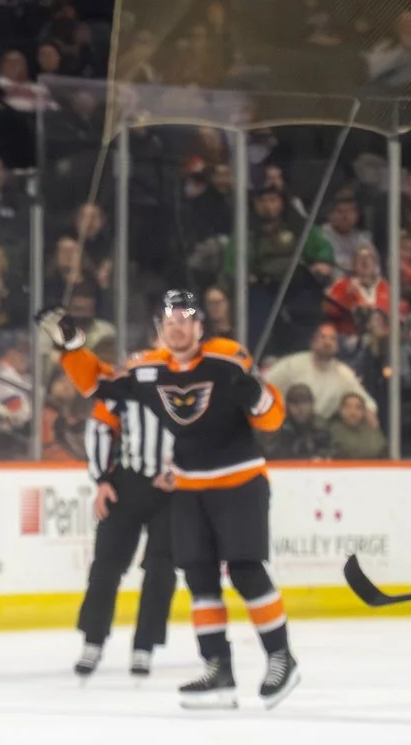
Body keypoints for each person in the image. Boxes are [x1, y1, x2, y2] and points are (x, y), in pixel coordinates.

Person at [50, 290, 295, 708]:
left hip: (239, 482)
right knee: (200, 579)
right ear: (159, 330)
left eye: (185, 319)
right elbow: (99, 386)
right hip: (188, 488)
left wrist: (257, 395)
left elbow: (272, 417)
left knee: (246, 571)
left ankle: (280, 657)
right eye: (168, 321)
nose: (176, 327)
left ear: (200, 326)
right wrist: (72, 348)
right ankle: (218, 669)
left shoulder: (227, 357)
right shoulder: (148, 369)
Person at [39, 303, 177, 679]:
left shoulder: (200, 380)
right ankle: (93, 642)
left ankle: (144, 647)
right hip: (127, 483)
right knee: (105, 566)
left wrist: (183, 473)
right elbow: (100, 418)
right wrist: (102, 480)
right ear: (156, 335)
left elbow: (209, 436)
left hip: (176, 491)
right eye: (167, 328)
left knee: (161, 570)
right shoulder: (134, 374)